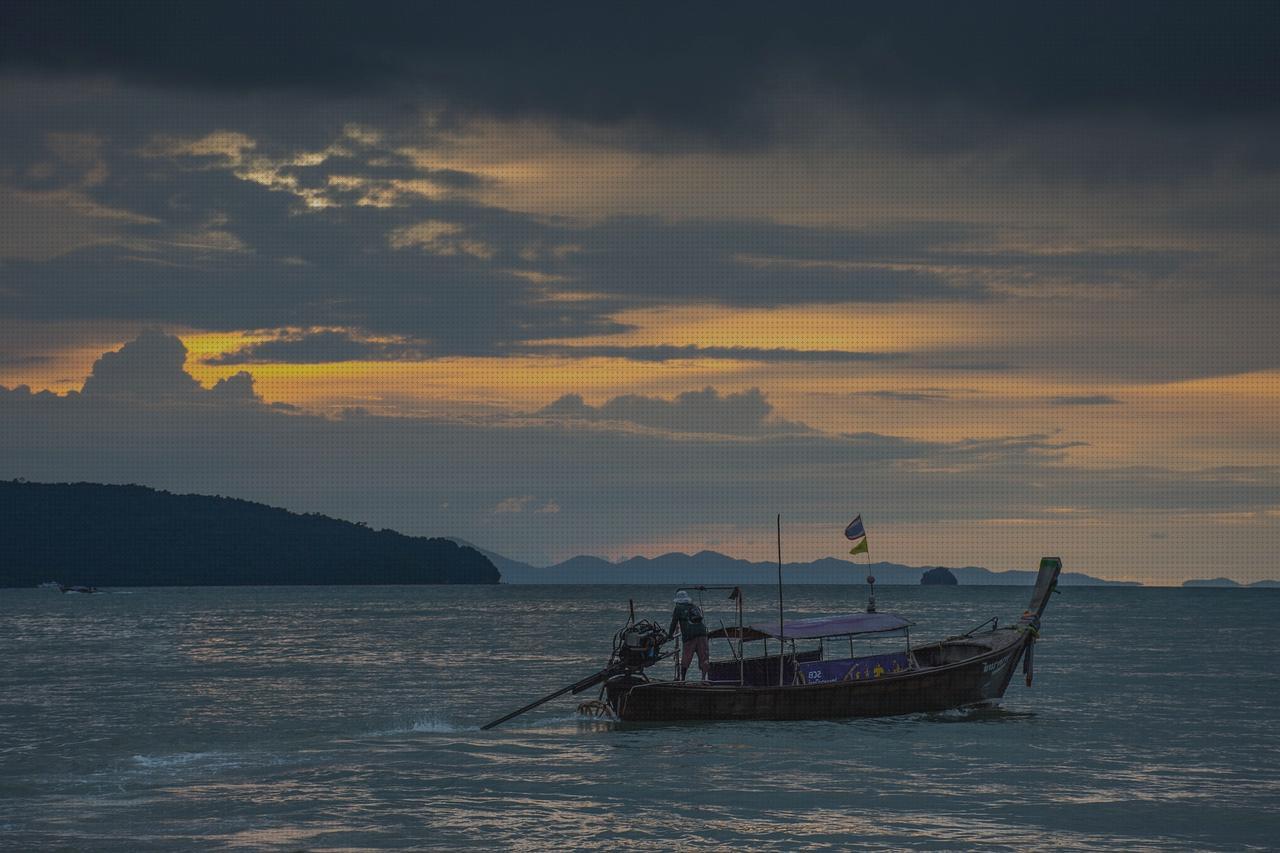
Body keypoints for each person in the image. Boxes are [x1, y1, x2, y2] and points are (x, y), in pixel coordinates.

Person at [668, 590, 710, 681]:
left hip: (689, 636)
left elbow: (674, 623)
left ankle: (682, 679)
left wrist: (669, 635)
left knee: (686, 658)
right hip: (703, 634)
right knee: (704, 657)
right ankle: (703, 679)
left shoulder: (678, 608)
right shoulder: (694, 606)